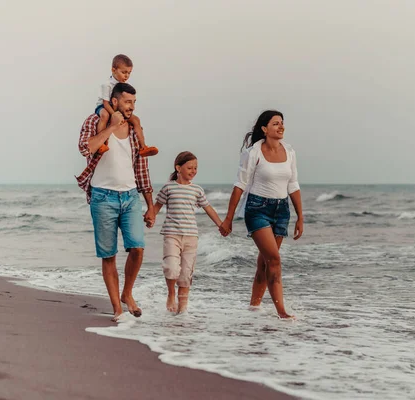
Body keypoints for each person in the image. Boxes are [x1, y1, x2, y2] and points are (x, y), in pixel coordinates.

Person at [76, 82, 156, 322]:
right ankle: (117, 310)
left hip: (130, 197)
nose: (131, 107)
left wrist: (150, 204)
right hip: (102, 197)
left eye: (134, 102)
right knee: (108, 255)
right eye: (127, 102)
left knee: (138, 248)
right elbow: (85, 148)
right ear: (114, 102)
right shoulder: (95, 120)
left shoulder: (133, 128)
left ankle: (127, 293)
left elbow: (141, 167)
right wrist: (110, 127)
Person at [219, 110, 304, 319]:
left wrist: (300, 217)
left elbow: (293, 184)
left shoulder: (290, 151)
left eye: (282, 123)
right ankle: (281, 311)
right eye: (276, 123)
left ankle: (254, 307)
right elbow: (240, 184)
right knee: (274, 259)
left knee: (265, 262)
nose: (281, 126)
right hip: (257, 209)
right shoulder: (253, 152)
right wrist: (229, 218)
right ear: (265, 129)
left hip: (282, 210)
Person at [149, 151, 224, 314]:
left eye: (195, 168)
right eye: (189, 167)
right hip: (172, 235)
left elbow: (208, 208)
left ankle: (182, 311)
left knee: (185, 274)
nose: (193, 171)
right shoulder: (168, 187)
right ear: (178, 168)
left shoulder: (197, 190)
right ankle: (171, 294)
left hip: (191, 236)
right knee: (171, 268)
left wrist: (221, 224)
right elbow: (156, 206)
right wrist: (150, 218)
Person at [94, 54, 158, 157]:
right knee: (104, 116)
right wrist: (115, 114)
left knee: (136, 120)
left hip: (117, 109)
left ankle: (143, 147)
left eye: (129, 73)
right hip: (103, 107)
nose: (126, 76)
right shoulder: (107, 85)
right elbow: (106, 103)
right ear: (113, 70)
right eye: (123, 72)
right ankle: (101, 144)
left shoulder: (123, 86)